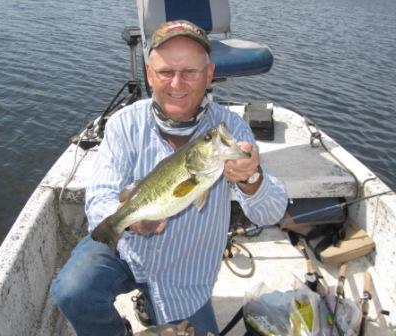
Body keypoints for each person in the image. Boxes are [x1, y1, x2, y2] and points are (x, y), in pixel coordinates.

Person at [50, 20, 288, 336]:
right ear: (150, 74)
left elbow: (271, 212)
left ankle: (160, 307)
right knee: (72, 290)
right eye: (165, 72)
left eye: (190, 72)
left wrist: (252, 178)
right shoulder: (124, 124)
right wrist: (131, 219)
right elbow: (99, 199)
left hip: (185, 275)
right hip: (127, 250)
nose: (177, 83)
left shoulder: (231, 130)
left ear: (209, 74)